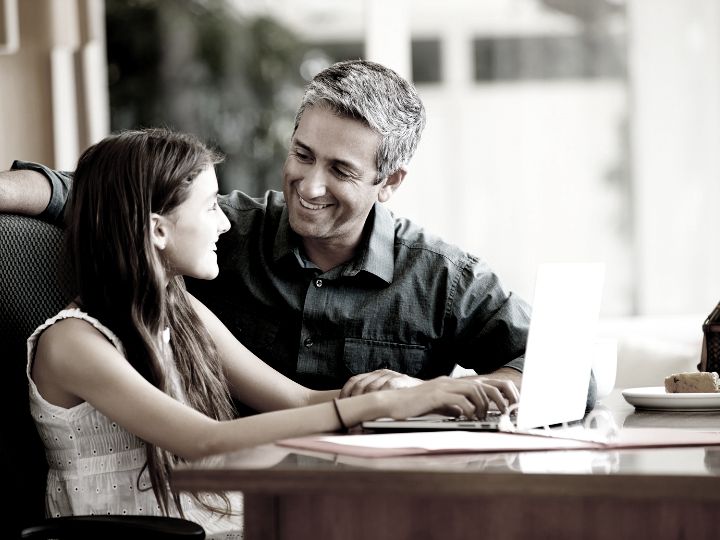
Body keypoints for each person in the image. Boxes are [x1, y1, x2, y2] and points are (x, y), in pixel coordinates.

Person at [26, 128, 516, 539]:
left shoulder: (181, 312)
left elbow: (299, 402)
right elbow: (203, 440)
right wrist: (381, 408)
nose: (223, 223)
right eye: (210, 207)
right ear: (157, 230)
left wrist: (416, 395)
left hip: (212, 523)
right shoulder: (73, 343)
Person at [4, 60, 554, 404]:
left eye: (340, 171)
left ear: (389, 182)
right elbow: (94, 193)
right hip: (237, 498)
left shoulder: (441, 278)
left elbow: (556, 366)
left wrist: (424, 395)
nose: (309, 187)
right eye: (301, 155)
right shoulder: (218, 231)